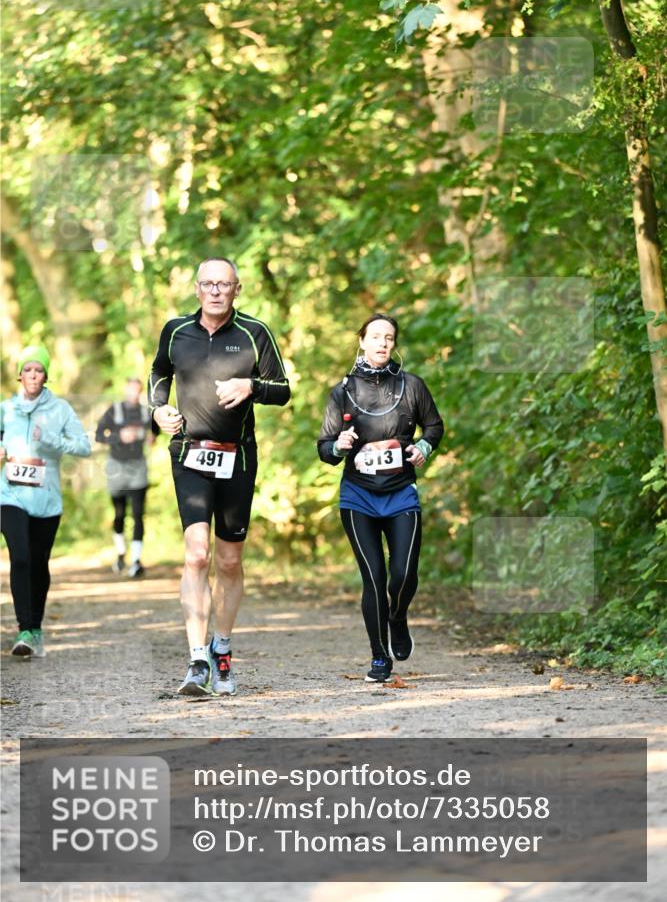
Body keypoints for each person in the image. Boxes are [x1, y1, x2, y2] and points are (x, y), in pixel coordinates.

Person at [148, 256, 290, 697]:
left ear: (236, 289)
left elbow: (282, 389)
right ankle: (196, 659)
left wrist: (252, 386)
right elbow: (159, 373)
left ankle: (221, 649)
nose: (215, 291)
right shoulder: (176, 331)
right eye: (208, 284)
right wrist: (158, 410)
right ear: (196, 289)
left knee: (229, 561)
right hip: (189, 453)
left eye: (223, 284)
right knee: (196, 555)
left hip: (238, 458)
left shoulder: (255, 333)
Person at [318, 314, 443, 682]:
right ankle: (378, 657)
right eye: (375, 336)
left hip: (401, 493)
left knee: (403, 575)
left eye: (389, 338)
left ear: (394, 344)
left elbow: (434, 425)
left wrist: (423, 446)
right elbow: (324, 447)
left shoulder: (412, 386)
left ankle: (398, 614)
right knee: (373, 576)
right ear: (362, 341)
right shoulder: (342, 392)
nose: (382, 343)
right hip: (358, 497)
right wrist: (338, 445)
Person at [0, 345, 91, 658]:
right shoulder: (6, 408)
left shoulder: (60, 409)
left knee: (38, 563)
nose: (33, 375)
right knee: (21, 557)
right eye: (27, 369)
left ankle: (35, 629)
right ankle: (24, 628)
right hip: (10, 494)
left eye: (39, 370)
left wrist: (51, 440)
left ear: (46, 375)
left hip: (47, 498)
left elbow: (84, 446)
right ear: (20, 374)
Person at [95, 378, 158, 578]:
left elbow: (156, 429)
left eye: (137, 391)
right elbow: (98, 435)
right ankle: (121, 553)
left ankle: (137, 561)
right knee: (120, 513)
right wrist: (118, 437)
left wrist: (153, 436)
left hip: (138, 468)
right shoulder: (114, 411)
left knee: (138, 514)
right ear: (125, 390)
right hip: (116, 467)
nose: (134, 395)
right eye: (131, 390)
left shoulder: (145, 412)